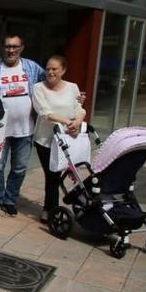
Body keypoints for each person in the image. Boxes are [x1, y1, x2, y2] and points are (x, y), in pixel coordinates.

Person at [0, 34, 46, 217]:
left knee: (19, 168)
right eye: (8, 46)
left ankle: (9, 200)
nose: (11, 50)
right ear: (3, 47)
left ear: (21, 48)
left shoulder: (32, 67)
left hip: (25, 129)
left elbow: (50, 83)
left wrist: (73, 95)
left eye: (15, 46)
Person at [31, 55, 86, 222]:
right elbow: (44, 112)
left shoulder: (72, 87)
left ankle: (58, 207)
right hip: (45, 140)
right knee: (52, 175)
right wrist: (66, 121)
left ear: (63, 70)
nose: (50, 72)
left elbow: (79, 108)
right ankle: (51, 210)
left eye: (54, 69)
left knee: (67, 174)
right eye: (48, 68)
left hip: (68, 138)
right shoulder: (38, 88)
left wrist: (78, 121)